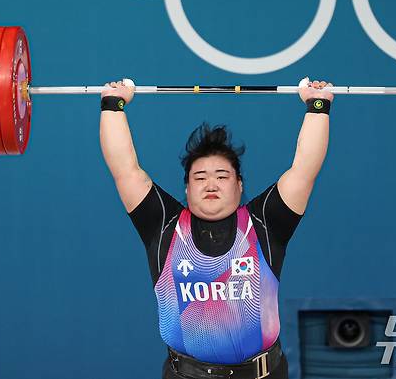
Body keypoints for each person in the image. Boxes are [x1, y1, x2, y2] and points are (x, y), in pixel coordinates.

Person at [99, 78, 333, 379]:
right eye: (200, 178)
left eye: (222, 176)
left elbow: (303, 170)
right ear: (186, 188)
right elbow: (125, 169)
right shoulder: (164, 226)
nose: (211, 184)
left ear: (239, 185)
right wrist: (113, 104)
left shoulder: (265, 223)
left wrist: (318, 106)